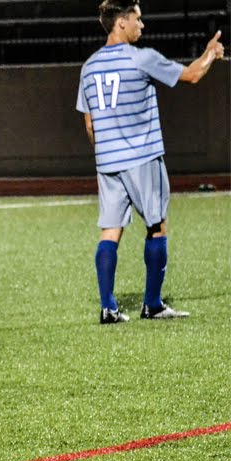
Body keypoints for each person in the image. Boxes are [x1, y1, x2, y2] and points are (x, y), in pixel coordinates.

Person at [78, 1, 224, 324]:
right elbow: (192, 75)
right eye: (138, 19)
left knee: (110, 232)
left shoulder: (88, 67)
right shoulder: (140, 58)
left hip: (107, 161)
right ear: (121, 23)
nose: (142, 26)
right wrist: (211, 53)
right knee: (157, 226)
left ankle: (108, 308)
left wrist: (108, 151)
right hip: (143, 157)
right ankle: (153, 304)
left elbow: (90, 125)